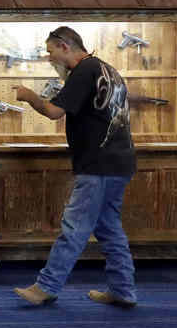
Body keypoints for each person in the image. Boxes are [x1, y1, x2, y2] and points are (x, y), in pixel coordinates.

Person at [11, 26, 137, 308]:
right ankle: (123, 289)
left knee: (75, 226)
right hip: (120, 161)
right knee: (109, 229)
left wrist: (30, 95)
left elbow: (55, 111)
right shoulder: (106, 68)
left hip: (98, 164)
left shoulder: (84, 70)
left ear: (65, 46)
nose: (49, 58)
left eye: (51, 52)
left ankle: (47, 286)